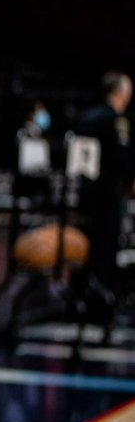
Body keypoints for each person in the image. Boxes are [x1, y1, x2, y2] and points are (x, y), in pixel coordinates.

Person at [74, 70, 134, 310]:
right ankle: (101, 305)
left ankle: (81, 299)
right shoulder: (115, 119)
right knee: (105, 250)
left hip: (86, 194)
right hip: (109, 194)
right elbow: (121, 156)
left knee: (85, 249)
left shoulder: (87, 116)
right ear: (119, 92)